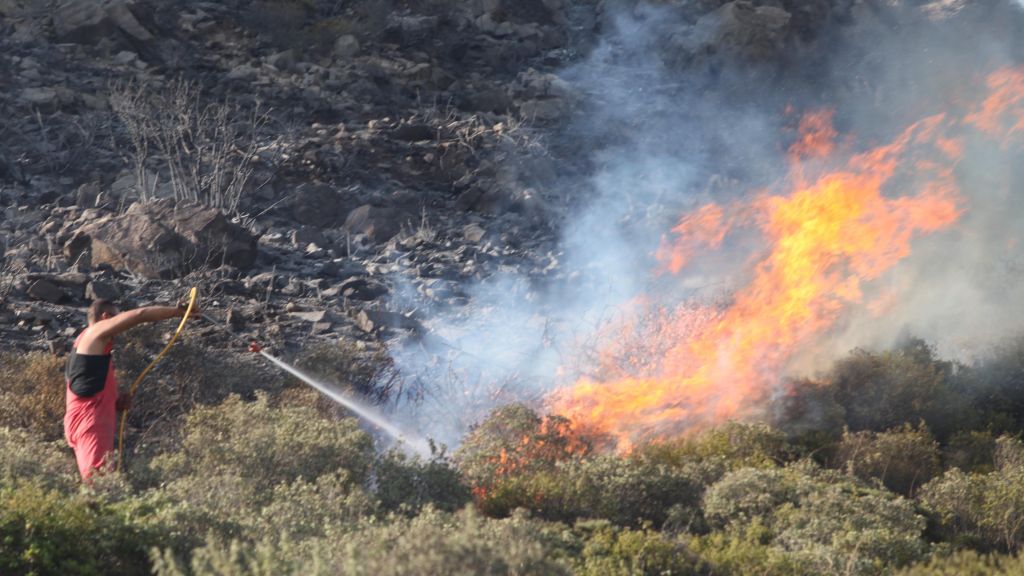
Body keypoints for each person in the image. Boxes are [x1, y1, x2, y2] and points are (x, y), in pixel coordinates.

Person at [64, 299, 192, 480]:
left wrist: (115, 402)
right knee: (98, 481)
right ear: (106, 317)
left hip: (88, 419)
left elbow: (86, 386)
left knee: (99, 478)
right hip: (90, 422)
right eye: (116, 317)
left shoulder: (90, 343)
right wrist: (178, 312)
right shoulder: (95, 333)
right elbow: (140, 315)